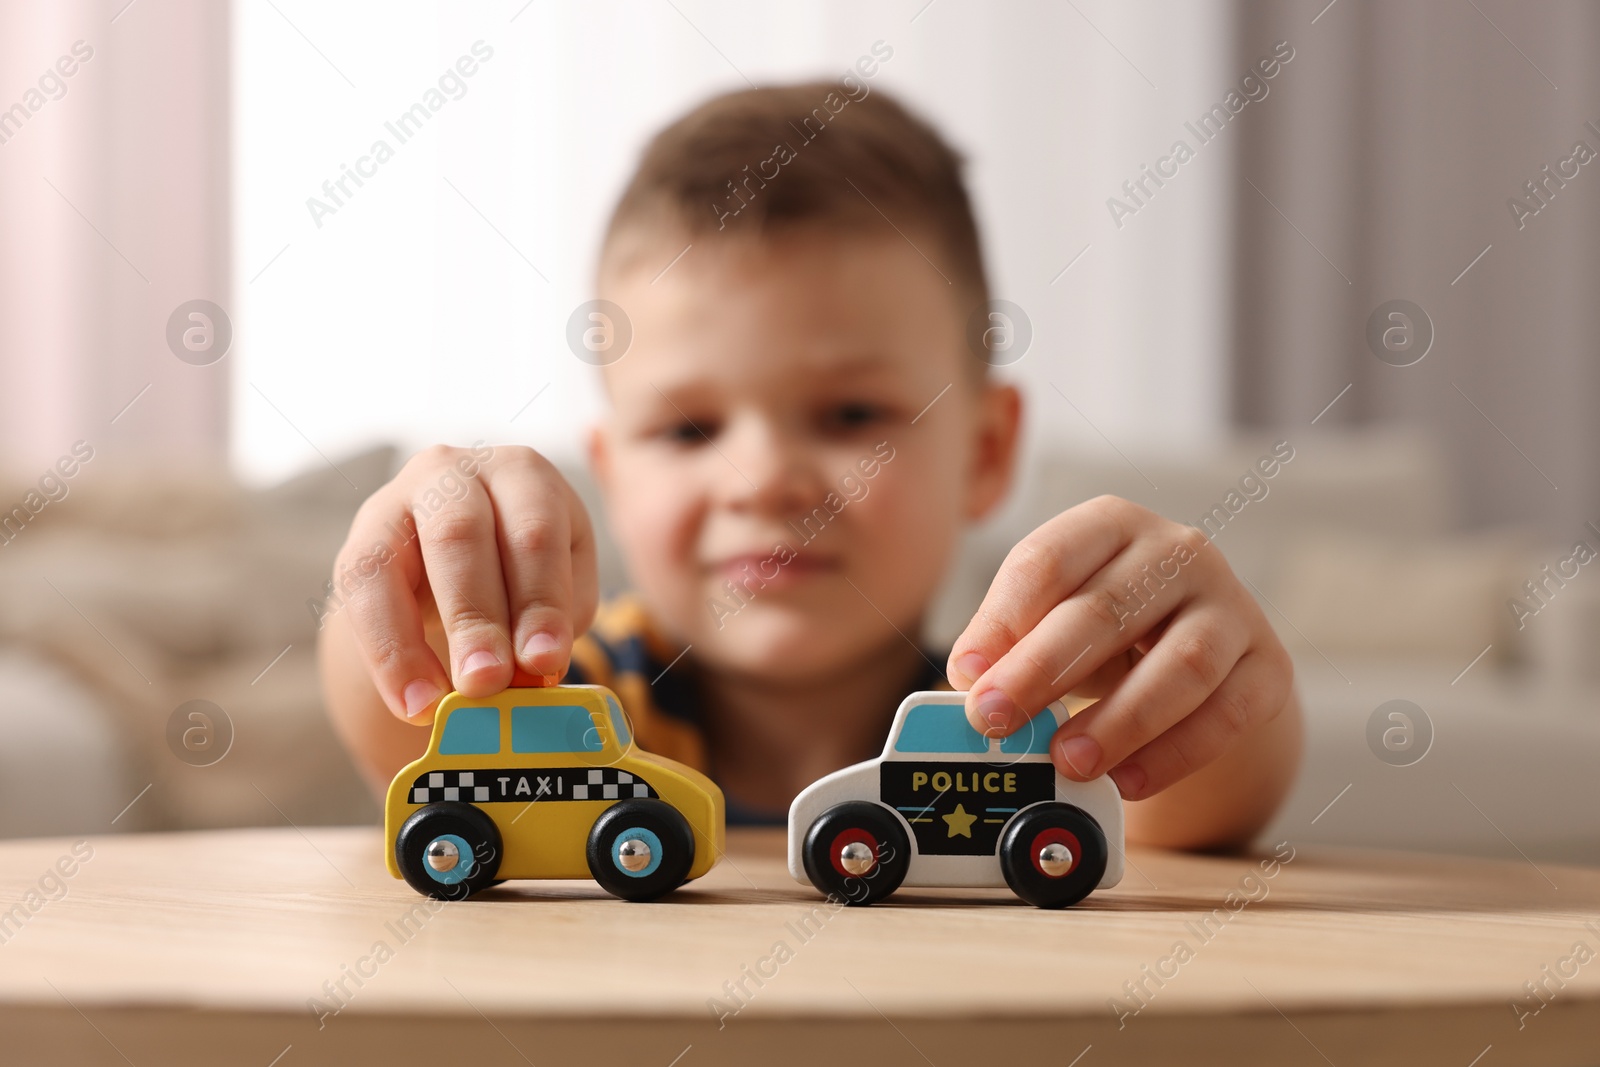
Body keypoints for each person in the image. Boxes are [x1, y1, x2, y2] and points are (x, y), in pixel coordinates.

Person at [320, 81, 1301, 848]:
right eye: (689, 429)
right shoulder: (562, 696)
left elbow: (1196, 806)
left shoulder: (1009, 710)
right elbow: (399, 707)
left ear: (987, 451)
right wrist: (415, 571)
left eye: (848, 414)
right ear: (611, 476)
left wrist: (1205, 680)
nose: (763, 480)